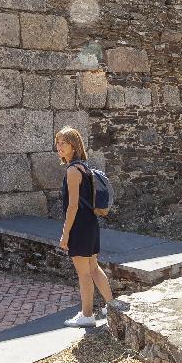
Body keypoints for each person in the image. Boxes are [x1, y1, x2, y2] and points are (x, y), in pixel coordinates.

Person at [55, 126, 113, 327]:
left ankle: (87, 315)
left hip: (80, 226)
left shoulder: (72, 170)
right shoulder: (84, 167)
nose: (59, 147)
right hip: (91, 224)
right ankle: (111, 307)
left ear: (74, 145)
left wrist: (65, 234)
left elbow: (72, 206)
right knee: (94, 268)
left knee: (84, 273)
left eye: (63, 143)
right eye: (58, 143)